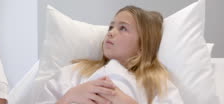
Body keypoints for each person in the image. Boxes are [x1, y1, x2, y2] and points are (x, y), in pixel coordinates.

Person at [36, 6, 183, 104]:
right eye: (111, 27)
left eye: (123, 28)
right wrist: (69, 96)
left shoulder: (156, 84)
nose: (111, 32)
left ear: (142, 47)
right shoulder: (76, 72)